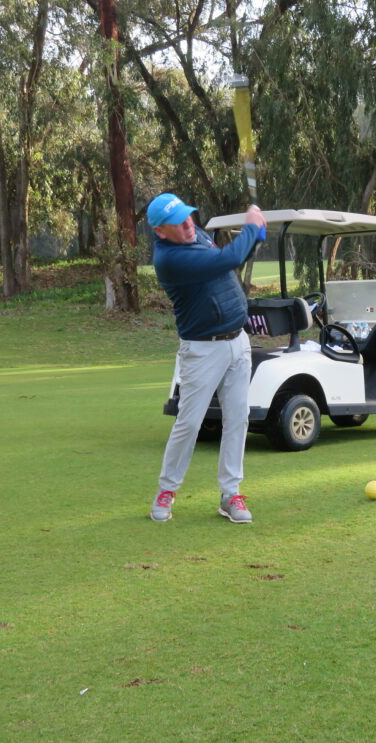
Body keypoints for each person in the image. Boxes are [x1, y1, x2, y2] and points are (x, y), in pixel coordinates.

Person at [147, 192, 266, 524]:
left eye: (188, 216)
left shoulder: (194, 233)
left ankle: (231, 494)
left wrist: (256, 235)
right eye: (178, 222)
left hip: (238, 341)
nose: (188, 224)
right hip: (202, 350)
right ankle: (166, 490)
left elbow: (234, 260)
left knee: (238, 418)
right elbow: (228, 259)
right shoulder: (170, 259)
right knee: (189, 423)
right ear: (160, 231)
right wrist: (252, 226)